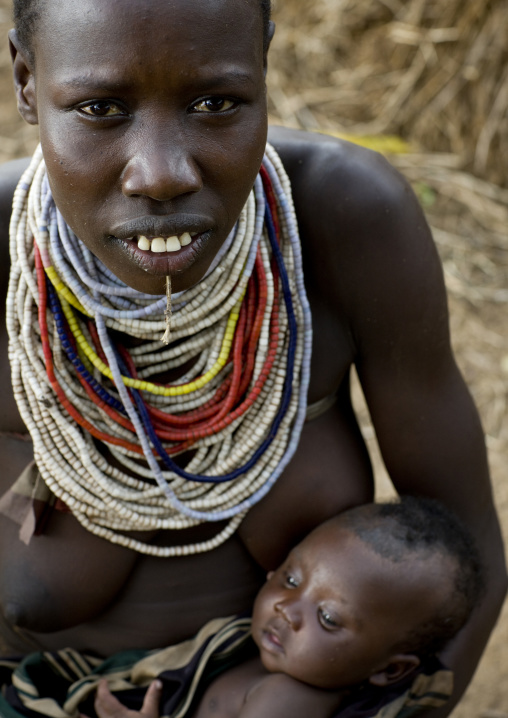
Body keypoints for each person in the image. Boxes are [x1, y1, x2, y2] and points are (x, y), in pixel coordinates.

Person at [0, 1, 504, 716]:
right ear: (26, 79)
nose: (162, 173)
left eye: (215, 103)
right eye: (101, 107)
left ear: (265, 64)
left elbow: (466, 548)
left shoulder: (345, 218)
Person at [0, 498, 485, 718]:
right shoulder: (271, 661)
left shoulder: (289, 702)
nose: (288, 609)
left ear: (389, 671)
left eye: (329, 618)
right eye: (292, 579)